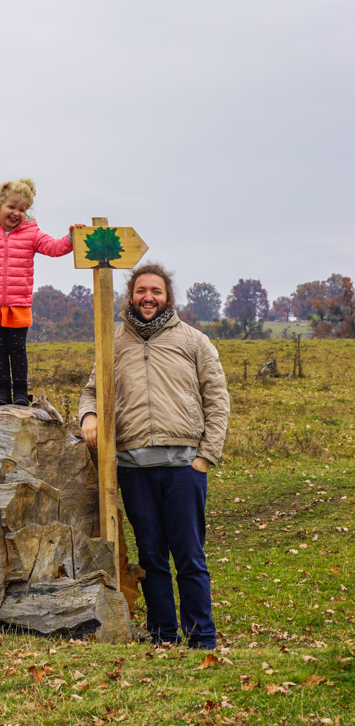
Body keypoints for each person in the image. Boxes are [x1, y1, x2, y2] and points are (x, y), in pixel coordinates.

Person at [79, 263, 229, 649]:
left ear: (167, 297)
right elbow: (91, 391)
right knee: (151, 557)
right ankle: (164, 634)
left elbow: (217, 400)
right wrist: (90, 416)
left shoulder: (194, 342)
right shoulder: (113, 343)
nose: (148, 297)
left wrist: (205, 457)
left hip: (184, 468)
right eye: (141, 290)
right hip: (133, 470)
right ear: (130, 295)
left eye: (156, 291)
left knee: (189, 557)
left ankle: (201, 637)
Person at [0, 179, 83, 406]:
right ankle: (2, 393)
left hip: (19, 303)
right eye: (12, 207)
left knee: (17, 349)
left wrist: (71, 238)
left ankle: (20, 394)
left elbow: (54, 248)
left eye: (22, 209)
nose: (16, 213)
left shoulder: (32, 234)